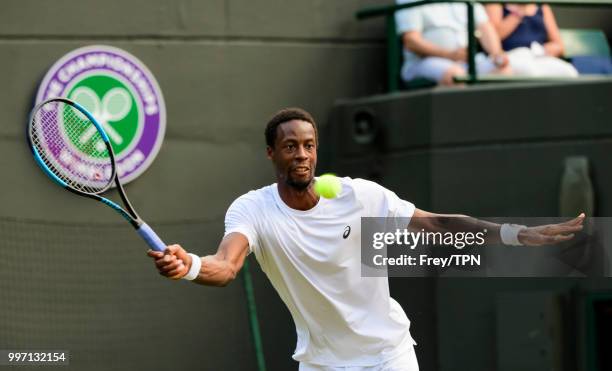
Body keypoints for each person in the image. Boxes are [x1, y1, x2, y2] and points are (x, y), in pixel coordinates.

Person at [148, 108, 585, 370]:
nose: (301, 155)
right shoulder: (251, 209)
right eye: (290, 147)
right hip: (322, 362)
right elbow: (227, 267)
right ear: (271, 153)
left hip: (386, 356)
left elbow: (436, 224)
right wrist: (190, 267)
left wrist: (514, 234)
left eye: (309, 145)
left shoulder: (359, 195)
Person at [395, 0, 511, 86]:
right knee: (456, 75)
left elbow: (485, 28)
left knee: (503, 69)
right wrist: (449, 55)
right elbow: (411, 41)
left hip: (465, 62)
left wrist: (496, 54)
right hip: (422, 62)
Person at [485, 3, 578, 77]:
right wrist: (518, 12)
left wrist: (546, 50)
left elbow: (559, 45)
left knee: (568, 72)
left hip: (539, 57)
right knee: (528, 71)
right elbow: (492, 38)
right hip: (509, 57)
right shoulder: (496, 4)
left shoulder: (542, 6)